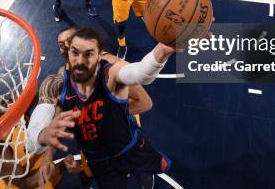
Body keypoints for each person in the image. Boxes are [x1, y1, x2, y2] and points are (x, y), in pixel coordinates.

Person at [29, 27, 175, 189]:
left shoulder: (110, 67)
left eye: (68, 42)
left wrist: (161, 52)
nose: (63, 47)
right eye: (60, 44)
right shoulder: (61, 77)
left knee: (142, 171)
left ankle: (143, 175)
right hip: (98, 155)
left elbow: (144, 102)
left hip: (127, 142)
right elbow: (59, 118)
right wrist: (48, 156)